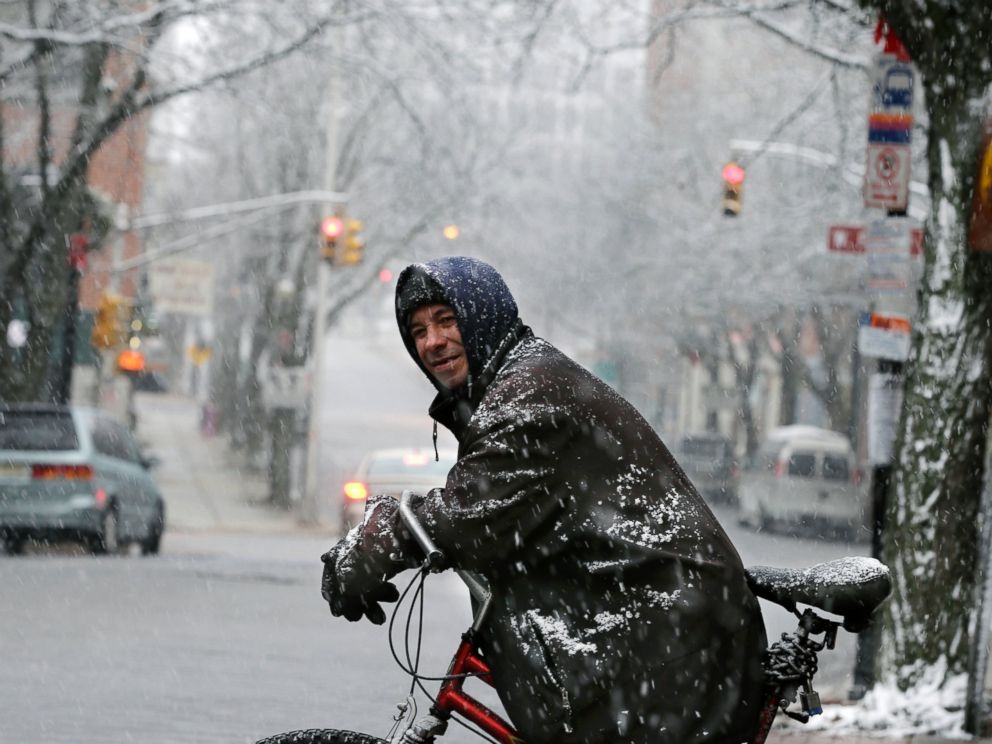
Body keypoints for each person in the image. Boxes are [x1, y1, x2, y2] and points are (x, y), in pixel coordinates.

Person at [321, 256, 766, 744]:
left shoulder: (530, 395)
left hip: (674, 647)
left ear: (483, 316)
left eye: (447, 320)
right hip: (654, 635)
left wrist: (381, 537)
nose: (433, 341)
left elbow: (471, 516)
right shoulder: (517, 383)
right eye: (419, 329)